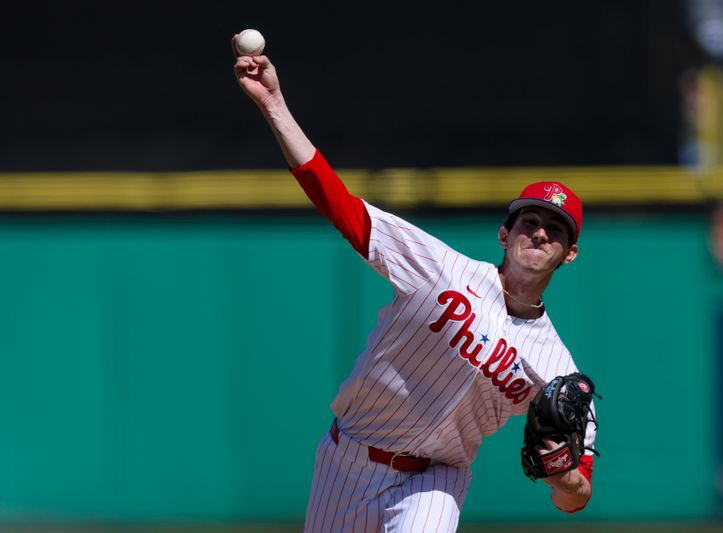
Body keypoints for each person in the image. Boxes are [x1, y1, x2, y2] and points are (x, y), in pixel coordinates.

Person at [232, 36, 598, 533]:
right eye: (530, 221)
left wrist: (564, 477)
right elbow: (340, 205)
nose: (540, 232)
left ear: (569, 253)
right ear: (504, 233)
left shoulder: (557, 370)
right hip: (349, 459)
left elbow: (576, 497)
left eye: (555, 230)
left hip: (436, 480)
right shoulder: (440, 268)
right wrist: (274, 104)